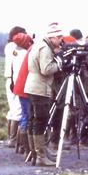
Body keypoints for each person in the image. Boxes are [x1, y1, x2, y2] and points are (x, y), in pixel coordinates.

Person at [24, 23, 64, 166]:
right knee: (40, 120)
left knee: (34, 120)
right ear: (52, 37)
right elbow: (46, 69)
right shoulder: (45, 48)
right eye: (59, 37)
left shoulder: (39, 45)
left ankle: (35, 153)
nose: (61, 40)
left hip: (33, 86)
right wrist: (60, 63)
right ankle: (40, 156)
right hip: (40, 88)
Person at [9, 31, 34, 157]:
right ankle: (26, 148)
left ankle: (20, 145)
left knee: (22, 115)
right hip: (26, 87)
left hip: (17, 85)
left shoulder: (15, 52)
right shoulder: (26, 53)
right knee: (27, 117)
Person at [3, 26, 27, 148]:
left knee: (13, 109)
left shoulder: (8, 47)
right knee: (18, 110)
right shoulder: (17, 48)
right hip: (16, 80)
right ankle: (14, 140)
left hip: (10, 79)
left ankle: (11, 137)